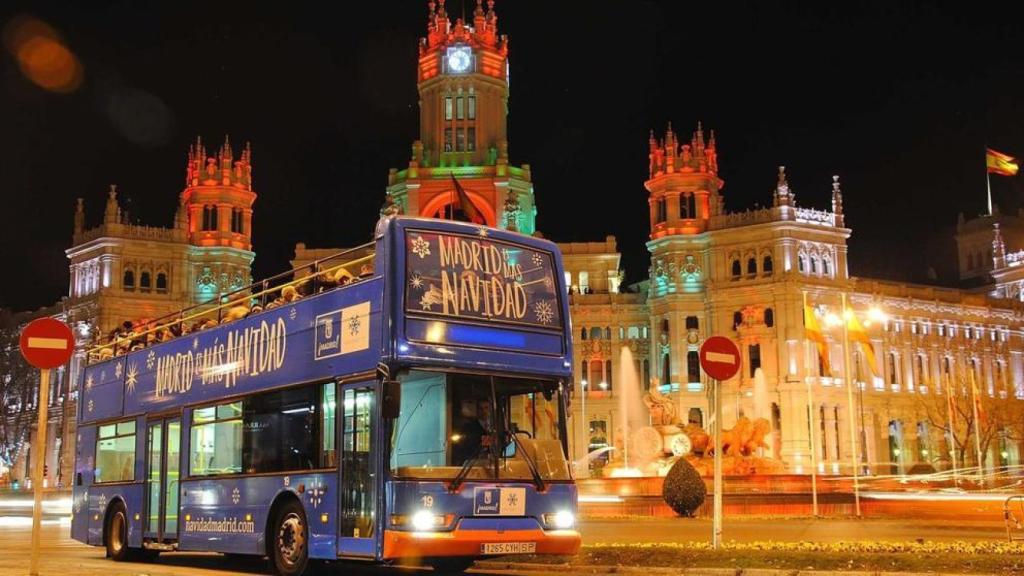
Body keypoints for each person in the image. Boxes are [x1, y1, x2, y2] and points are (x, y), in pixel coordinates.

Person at [452, 399, 491, 465]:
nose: (484, 411)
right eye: (480, 408)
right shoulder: (468, 427)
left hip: (491, 464)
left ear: (490, 409)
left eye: (486, 408)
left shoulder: (495, 426)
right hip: (473, 464)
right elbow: (464, 447)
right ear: (477, 411)